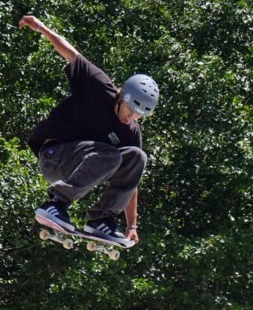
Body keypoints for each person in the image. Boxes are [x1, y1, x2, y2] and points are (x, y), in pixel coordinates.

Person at [21, 14, 158, 248]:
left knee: (137, 157)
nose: (131, 118)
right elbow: (71, 53)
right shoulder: (98, 87)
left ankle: (101, 218)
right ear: (121, 97)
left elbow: (131, 181)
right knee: (111, 154)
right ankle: (56, 204)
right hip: (54, 157)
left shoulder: (131, 133)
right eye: (130, 110)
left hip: (84, 164)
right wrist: (41, 28)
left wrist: (131, 225)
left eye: (138, 116)